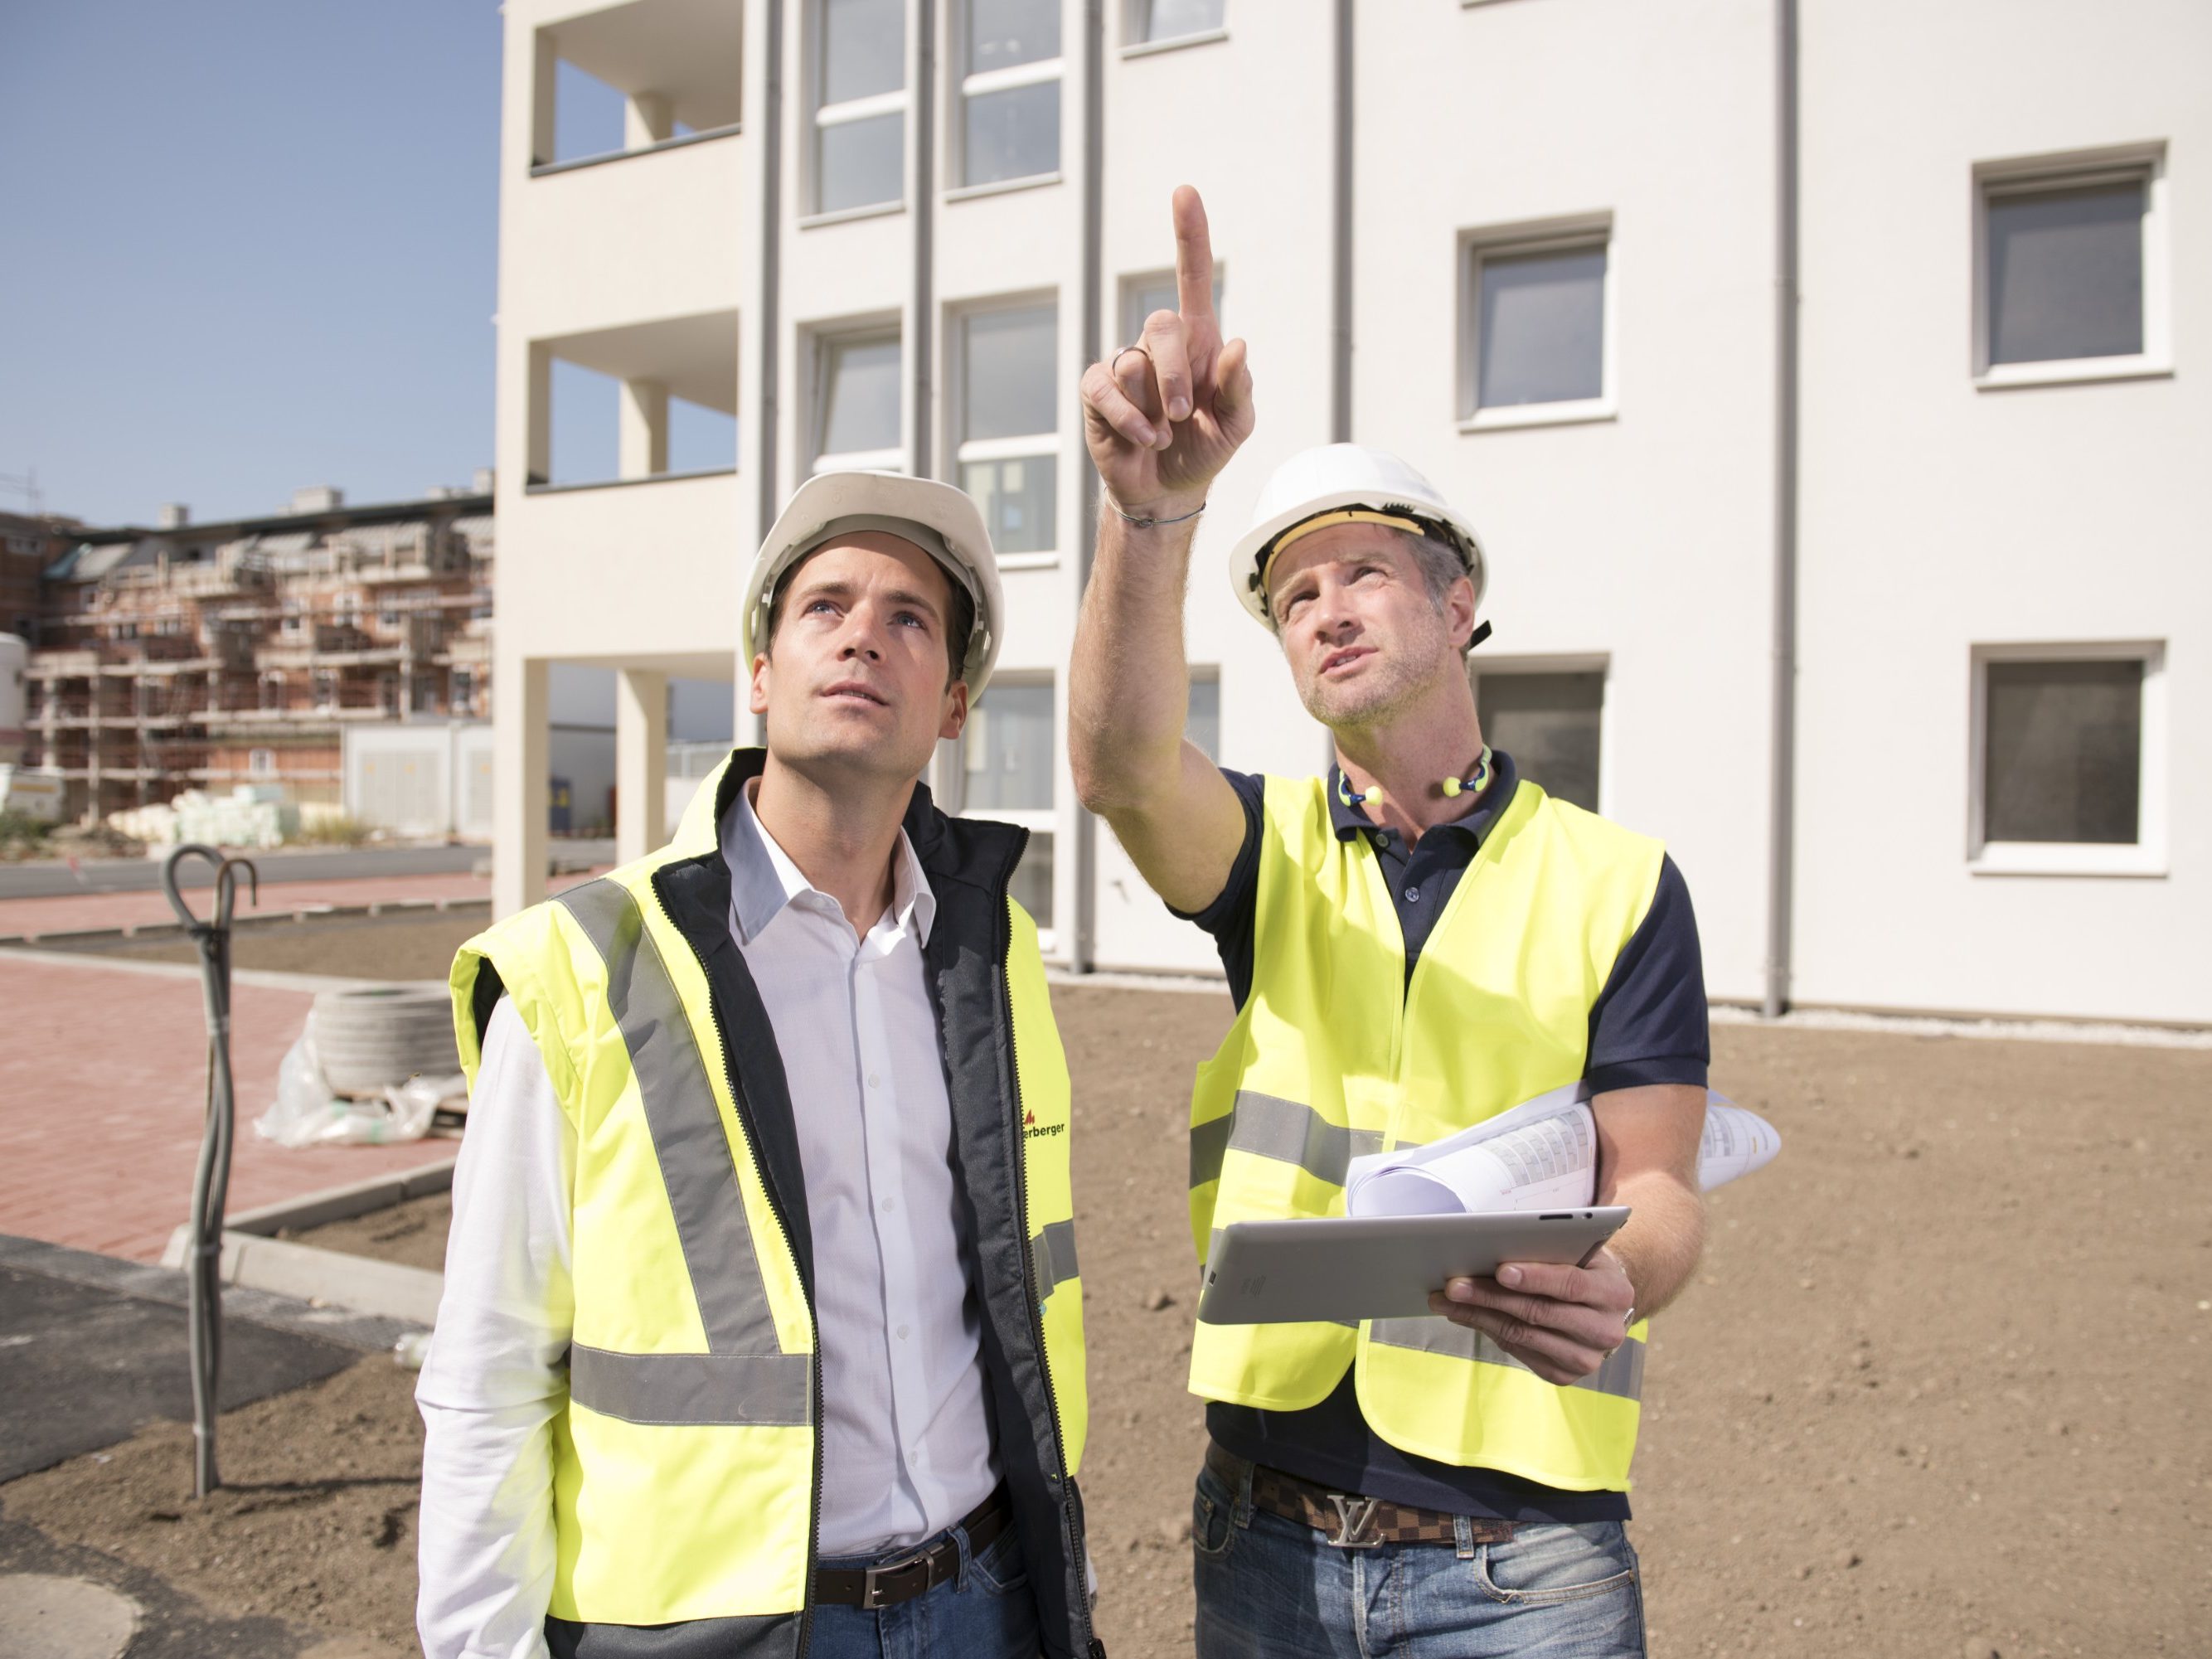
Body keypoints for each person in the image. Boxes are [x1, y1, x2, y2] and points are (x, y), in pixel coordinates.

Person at [1069, 186, 1709, 1658]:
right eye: (1294, 595)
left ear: (1459, 596)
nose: (1327, 608)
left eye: (1361, 571)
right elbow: (1113, 763)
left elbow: (1663, 1185)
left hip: (1524, 1561)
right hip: (1264, 1532)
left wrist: (1623, 1274)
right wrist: (1154, 513)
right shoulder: (1269, 850)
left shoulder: (1618, 880)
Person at [416, 471, 1104, 1659]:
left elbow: (1009, 1309)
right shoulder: (588, 964)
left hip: (987, 1602)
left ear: (953, 703)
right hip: (719, 1635)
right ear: (760, 670)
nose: (861, 636)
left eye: (909, 618)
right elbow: (488, 1368)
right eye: (824, 604)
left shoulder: (991, 953)